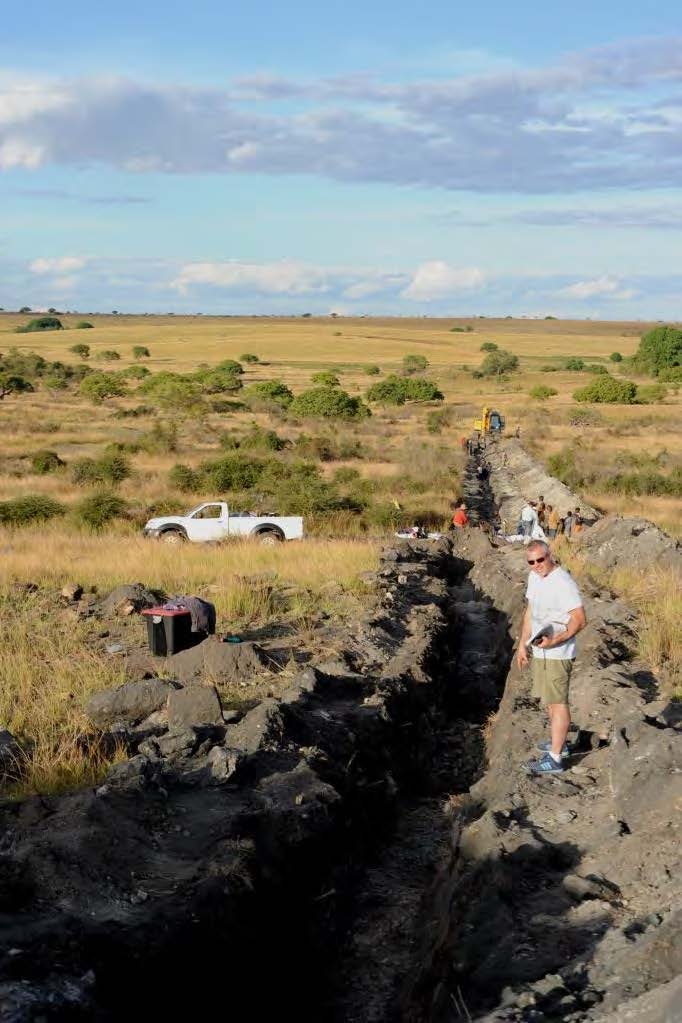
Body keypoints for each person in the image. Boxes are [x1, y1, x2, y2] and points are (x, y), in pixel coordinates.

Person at [517, 541, 587, 775]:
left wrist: (555, 641)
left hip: (557, 654)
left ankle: (555, 758)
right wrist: (522, 645)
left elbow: (579, 619)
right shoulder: (534, 577)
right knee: (550, 701)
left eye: (540, 559)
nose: (536, 565)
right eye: (531, 562)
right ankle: (560, 743)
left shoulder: (563, 583)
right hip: (540, 651)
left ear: (550, 556)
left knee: (558, 703)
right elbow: (530, 611)